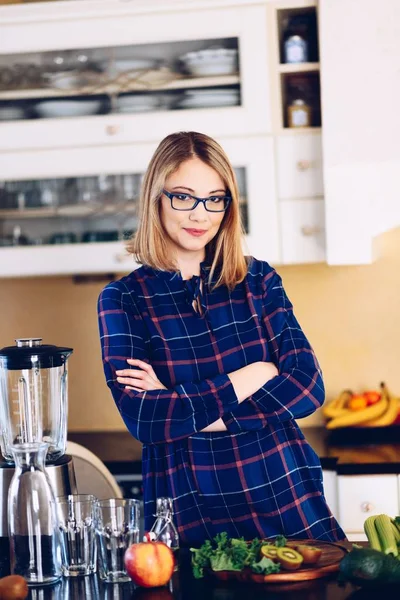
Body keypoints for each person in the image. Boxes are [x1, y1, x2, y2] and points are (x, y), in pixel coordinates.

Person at [97, 131, 346, 547]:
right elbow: (147, 420)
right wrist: (255, 375)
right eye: (184, 197)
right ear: (155, 198)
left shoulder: (258, 280)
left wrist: (187, 409)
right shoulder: (123, 300)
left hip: (286, 495)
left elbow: (307, 386)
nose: (201, 214)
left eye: (215, 198)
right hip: (190, 511)